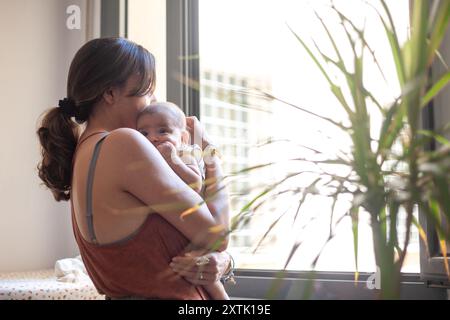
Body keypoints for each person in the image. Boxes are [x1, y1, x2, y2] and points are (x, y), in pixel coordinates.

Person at [36, 37, 232, 300]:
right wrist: (212, 156)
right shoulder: (123, 144)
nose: (152, 102)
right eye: (146, 91)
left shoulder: (83, 153)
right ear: (110, 93)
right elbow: (216, 236)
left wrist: (224, 263)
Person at [136, 102, 204, 194]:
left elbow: (196, 185)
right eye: (144, 133)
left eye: (163, 131)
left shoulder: (183, 153)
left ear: (183, 138)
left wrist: (172, 159)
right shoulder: (144, 157)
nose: (152, 138)